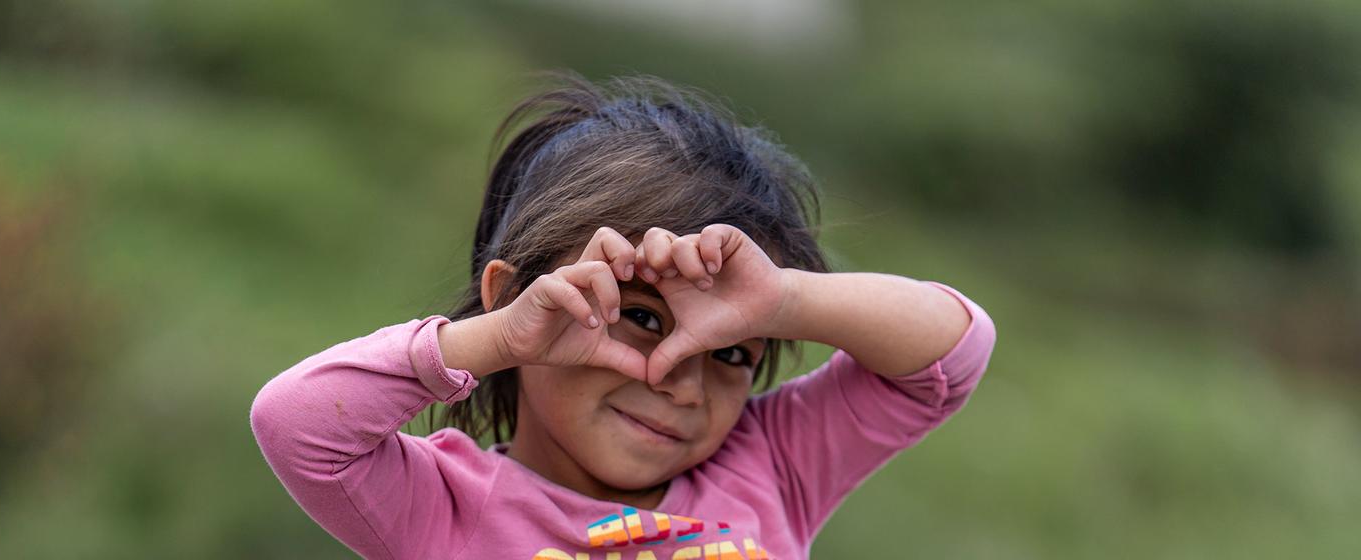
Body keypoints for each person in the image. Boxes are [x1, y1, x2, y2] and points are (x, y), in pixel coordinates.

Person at [250, 72, 997, 560]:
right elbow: (298, 426)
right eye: (641, 318)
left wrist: (785, 298)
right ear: (520, 299)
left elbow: (953, 354)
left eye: (734, 351)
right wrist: (498, 337)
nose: (682, 379)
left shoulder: (769, 466)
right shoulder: (448, 510)